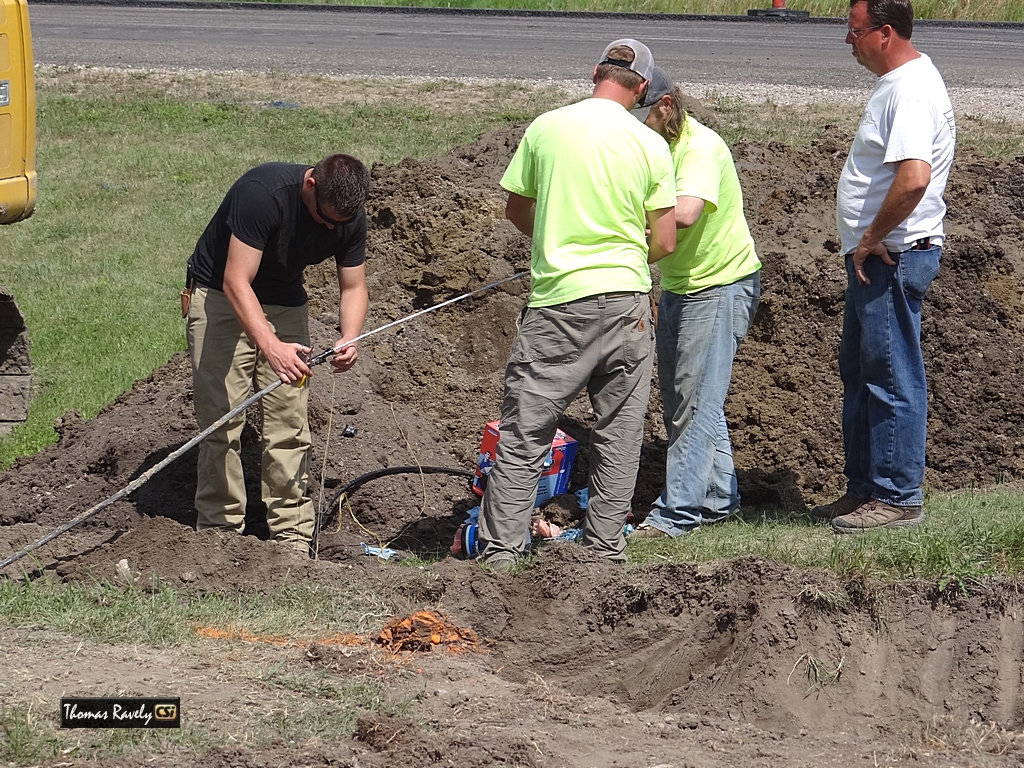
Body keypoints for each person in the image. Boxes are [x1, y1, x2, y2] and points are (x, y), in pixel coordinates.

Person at [476, 39, 678, 570]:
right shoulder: (650, 144)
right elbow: (664, 240)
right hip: (627, 306)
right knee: (620, 434)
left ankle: (501, 557)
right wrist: (625, 254)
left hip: (559, 304)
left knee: (526, 433)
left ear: (595, 73)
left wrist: (554, 241)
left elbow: (516, 209)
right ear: (642, 89)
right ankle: (604, 551)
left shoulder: (546, 128)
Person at [811, 0, 955, 533]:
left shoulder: (909, 91)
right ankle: (865, 489)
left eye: (855, 31)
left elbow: (914, 178)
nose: (848, 41)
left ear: (885, 32)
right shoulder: (899, 84)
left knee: (890, 375)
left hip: (891, 255)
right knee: (862, 371)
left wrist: (871, 236)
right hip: (878, 256)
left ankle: (896, 497)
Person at [184, 154, 370, 553]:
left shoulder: (347, 215)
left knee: (289, 421)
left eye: (339, 223)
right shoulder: (262, 194)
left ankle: (292, 536)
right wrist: (271, 346)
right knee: (222, 419)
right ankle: (219, 533)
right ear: (310, 185)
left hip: (285, 300)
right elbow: (236, 280)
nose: (330, 228)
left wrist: (349, 336)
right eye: (324, 219)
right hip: (221, 296)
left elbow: (353, 287)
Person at [626, 69, 762, 540]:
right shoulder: (655, 146)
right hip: (682, 284)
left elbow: (684, 213)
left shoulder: (698, 147)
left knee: (695, 403)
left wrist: (619, 232)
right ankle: (718, 499)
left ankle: (676, 515)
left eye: (639, 115)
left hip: (720, 285)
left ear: (665, 107)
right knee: (689, 398)